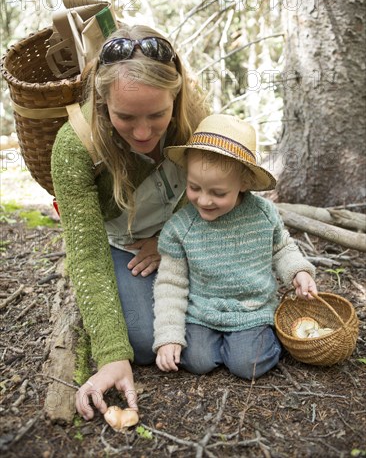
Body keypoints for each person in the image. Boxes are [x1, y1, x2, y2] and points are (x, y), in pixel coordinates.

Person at [51, 24, 208, 420]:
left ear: (176, 97)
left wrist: (169, 239)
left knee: (202, 347)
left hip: (186, 232)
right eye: (126, 117)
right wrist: (111, 356)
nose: (143, 132)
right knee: (140, 344)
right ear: (103, 102)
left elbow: (219, 189)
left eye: (158, 115)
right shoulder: (74, 147)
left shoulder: (196, 118)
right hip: (125, 244)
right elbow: (86, 253)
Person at [153, 114, 318, 379]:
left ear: (244, 183)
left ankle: (258, 341)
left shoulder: (263, 214)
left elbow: (282, 248)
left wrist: (299, 272)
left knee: (246, 365)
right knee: (196, 361)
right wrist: (168, 335)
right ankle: (222, 345)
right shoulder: (180, 228)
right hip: (203, 311)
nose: (204, 200)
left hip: (251, 308)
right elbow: (171, 284)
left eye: (218, 193)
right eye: (194, 187)